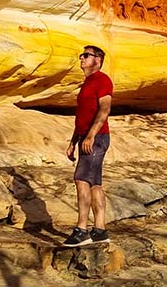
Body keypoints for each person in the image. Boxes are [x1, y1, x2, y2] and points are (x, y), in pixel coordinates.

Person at [63, 44, 112, 247]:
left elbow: (104, 110)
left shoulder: (102, 80)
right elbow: (82, 116)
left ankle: (82, 230)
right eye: (81, 55)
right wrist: (73, 142)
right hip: (87, 137)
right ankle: (99, 230)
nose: (81, 58)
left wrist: (90, 137)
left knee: (81, 179)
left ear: (97, 60)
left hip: (97, 137)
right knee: (94, 183)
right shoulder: (87, 83)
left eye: (86, 55)